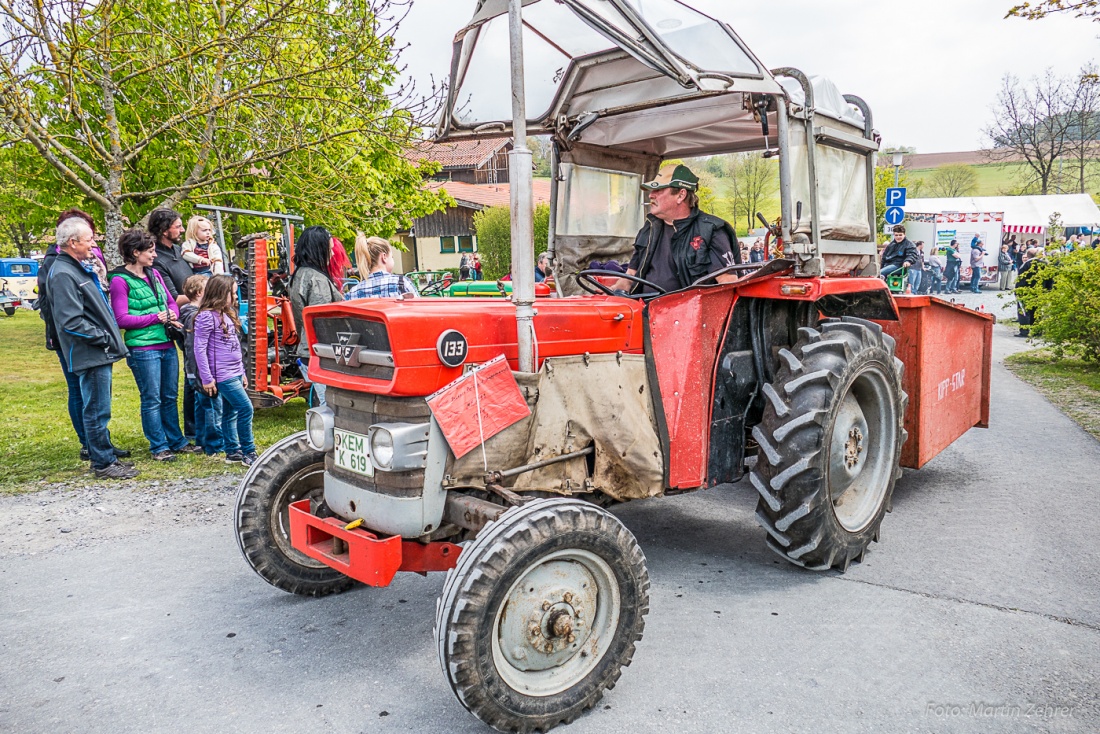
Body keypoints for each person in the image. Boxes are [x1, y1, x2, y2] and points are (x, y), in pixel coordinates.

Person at [46, 217, 137, 479]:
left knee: (99, 407)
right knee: (96, 409)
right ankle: (102, 463)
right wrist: (104, 338)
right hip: (91, 352)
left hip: (97, 350)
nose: (93, 244)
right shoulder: (63, 273)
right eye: (89, 240)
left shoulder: (76, 267)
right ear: (72, 242)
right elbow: (70, 321)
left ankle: (105, 454)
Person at [109, 228, 200, 461]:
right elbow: (121, 318)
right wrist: (156, 317)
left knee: (169, 396)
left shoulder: (154, 274)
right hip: (142, 347)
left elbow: (171, 302)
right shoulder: (120, 281)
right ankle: (158, 446)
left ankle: (176, 440)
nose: (154, 255)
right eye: (149, 252)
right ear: (135, 252)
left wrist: (171, 314)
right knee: (152, 398)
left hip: (165, 342)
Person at [611, 164, 739, 294]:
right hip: (644, 309)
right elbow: (630, 274)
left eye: (659, 190)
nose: (651, 195)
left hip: (688, 311)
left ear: (680, 195)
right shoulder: (649, 228)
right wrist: (615, 291)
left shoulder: (711, 231)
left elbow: (728, 283)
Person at [194, 274, 257, 465]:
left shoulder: (226, 315)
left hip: (234, 372)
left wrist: (242, 373)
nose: (236, 297)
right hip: (222, 375)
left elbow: (235, 347)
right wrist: (207, 378)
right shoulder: (206, 317)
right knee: (246, 408)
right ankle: (249, 451)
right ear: (221, 294)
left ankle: (232, 451)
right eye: (233, 293)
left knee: (232, 413)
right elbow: (199, 349)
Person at [289, 226, 344, 406]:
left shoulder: (299, 274)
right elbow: (323, 321)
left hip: (309, 350)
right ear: (319, 248)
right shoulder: (316, 279)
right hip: (321, 353)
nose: (332, 252)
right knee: (329, 407)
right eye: (329, 248)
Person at [180, 275, 223, 456]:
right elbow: (194, 347)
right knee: (211, 406)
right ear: (199, 293)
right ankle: (214, 444)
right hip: (199, 370)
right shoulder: (195, 316)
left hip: (194, 369)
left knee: (201, 405)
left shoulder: (189, 314)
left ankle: (201, 440)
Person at [345, 235, 419, 299]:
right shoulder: (402, 283)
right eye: (392, 257)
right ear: (384, 257)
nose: (393, 259)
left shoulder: (353, 292)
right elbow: (419, 309)